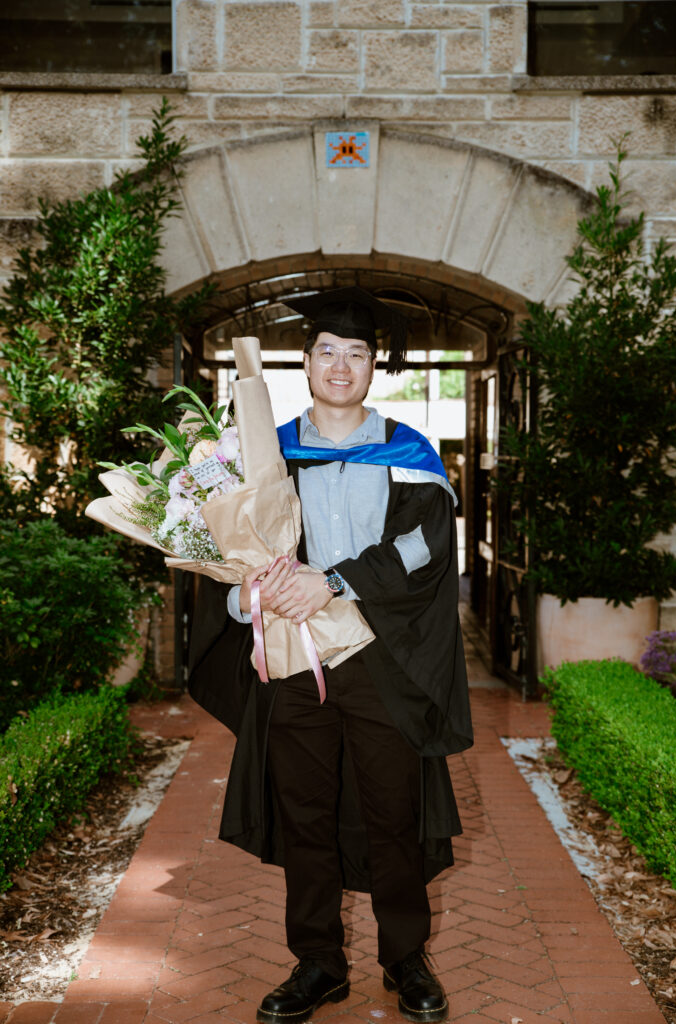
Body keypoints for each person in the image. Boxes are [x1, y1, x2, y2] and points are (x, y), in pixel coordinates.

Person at [188, 287, 473, 1024]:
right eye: (326, 351)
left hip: (381, 663)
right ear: (306, 362)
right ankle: (317, 962)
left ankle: (405, 957)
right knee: (305, 813)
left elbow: (425, 548)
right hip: (293, 663)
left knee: (394, 813)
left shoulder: (409, 455)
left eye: (356, 353)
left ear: (374, 366)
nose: (340, 365)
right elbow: (225, 557)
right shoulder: (262, 453)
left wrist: (336, 580)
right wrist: (247, 595)